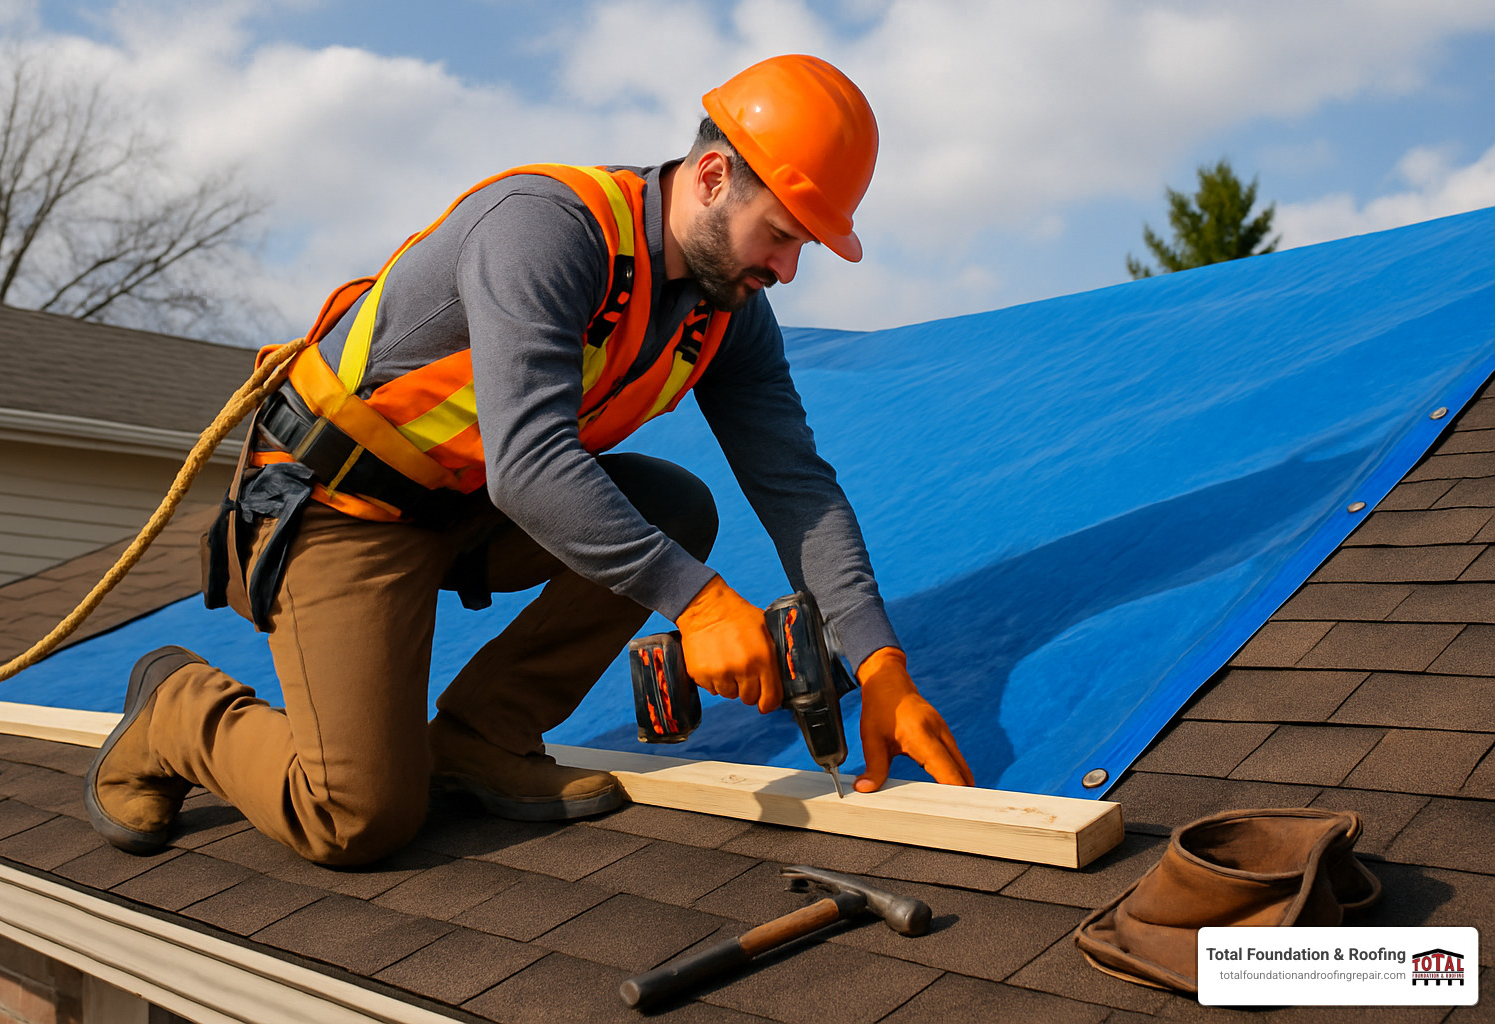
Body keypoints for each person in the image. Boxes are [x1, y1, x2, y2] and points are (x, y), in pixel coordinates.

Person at [84, 54, 974, 867]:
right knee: (356, 818)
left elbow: (795, 484)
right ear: (712, 177)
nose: (786, 268)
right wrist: (701, 604)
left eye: (805, 247)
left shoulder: (728, 310)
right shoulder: (547, 229)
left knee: (675, 507)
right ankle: (176, 708)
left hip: (464, 504)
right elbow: (530, 464)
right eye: (781, 234)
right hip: (339, 507)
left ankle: (482, 738)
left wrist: (878, 663)